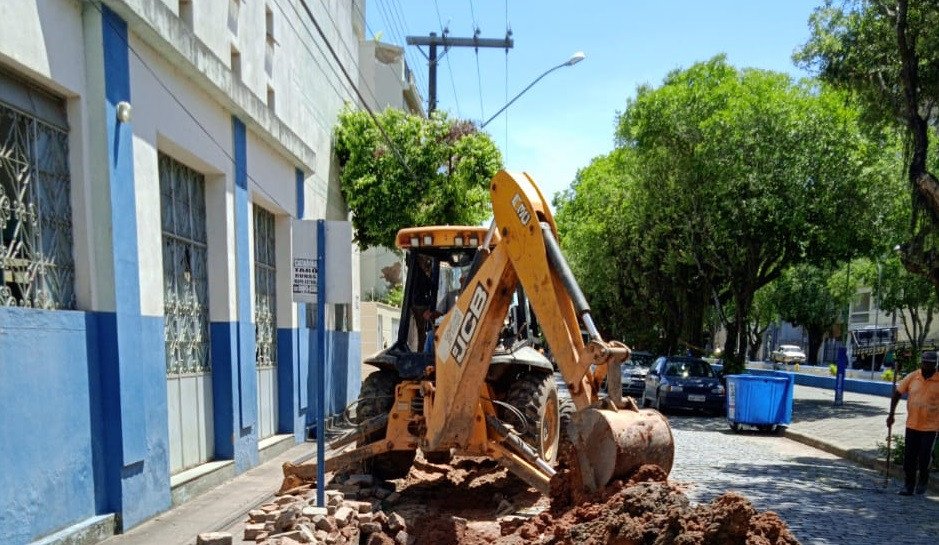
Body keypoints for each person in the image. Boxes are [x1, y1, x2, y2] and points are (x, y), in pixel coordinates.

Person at [887, 350, 939, 495]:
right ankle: (908, 485)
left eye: (930, 364)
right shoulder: (913, 376)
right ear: (921, 362)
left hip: (931, 426)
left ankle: (923, 480)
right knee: (909, 457)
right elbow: (897, 394)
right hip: (912, 424)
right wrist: (891, 414)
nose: (927, 366)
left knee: (924, 456)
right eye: (925, 363)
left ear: (935, 365)